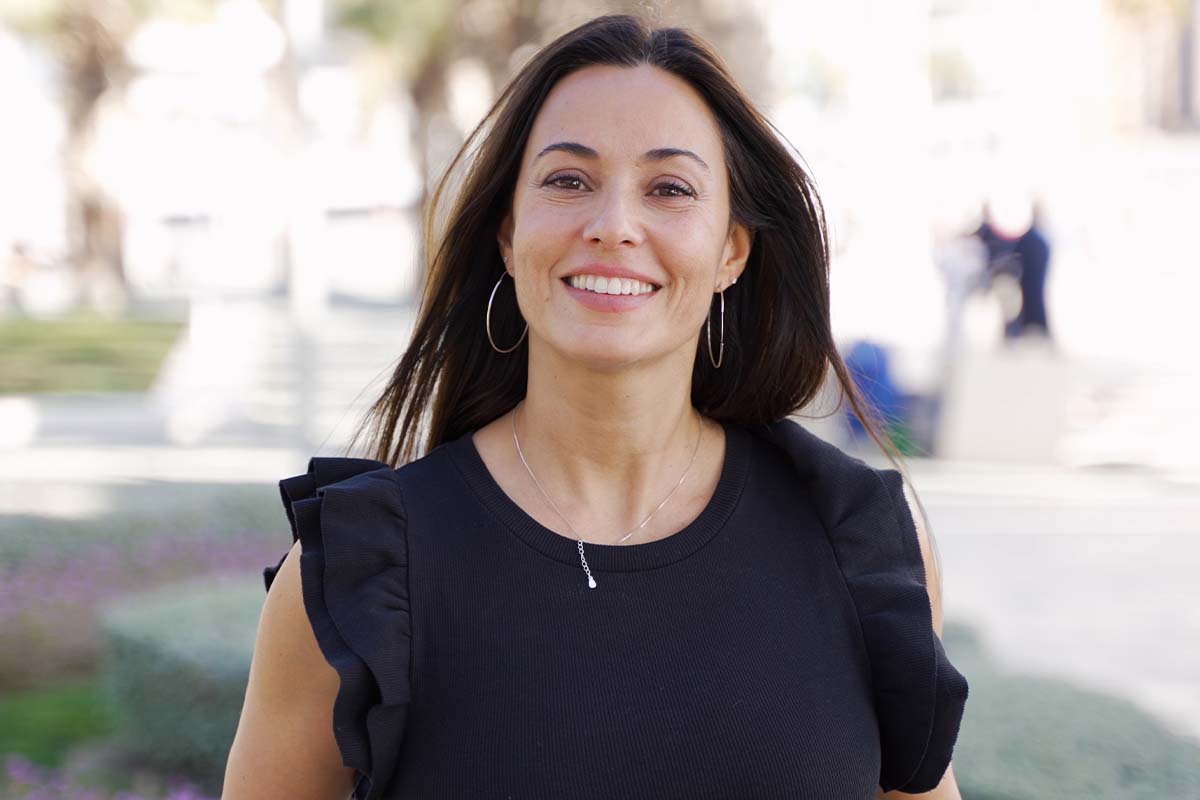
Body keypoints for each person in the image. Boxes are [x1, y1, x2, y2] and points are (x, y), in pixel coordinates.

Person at [222, 14, 969, 800]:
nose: (613, 225)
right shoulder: (363, 573)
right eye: (568, 180)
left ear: (731, 251)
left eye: (670, 189)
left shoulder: (858, 542)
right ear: (509, 235)